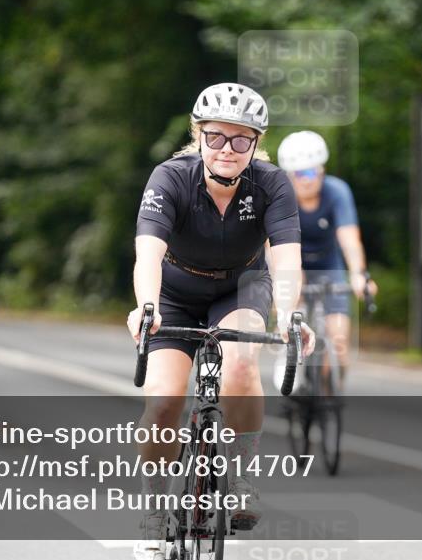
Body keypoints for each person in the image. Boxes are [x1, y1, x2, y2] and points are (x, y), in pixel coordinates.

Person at [127, 83, 314, 560]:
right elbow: (147, 253)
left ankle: (242, 477)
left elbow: (286, 258)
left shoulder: (271, 184)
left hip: (240, 287)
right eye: (216, 137)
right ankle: (152, 506)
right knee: (165, 401)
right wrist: (145, 307)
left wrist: (293, 315)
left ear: (256, 142)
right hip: (175, 291)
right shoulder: (170, 178)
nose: (227, 149)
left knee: (241, 368)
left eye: (240, 140)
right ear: (199, 135)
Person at [276, 131, 377, 387]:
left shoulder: (337, 192)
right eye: (299, 174)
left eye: (311, 173)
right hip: (290, 262)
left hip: (329, 265)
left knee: (340, 341)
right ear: (289, 176)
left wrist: (358, 274)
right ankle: (289, 361)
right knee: (292, 306)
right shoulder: (281, 197)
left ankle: (328, 391)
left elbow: (349, 238)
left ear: (322, 171)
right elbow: (273, 245)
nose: (306, 180)